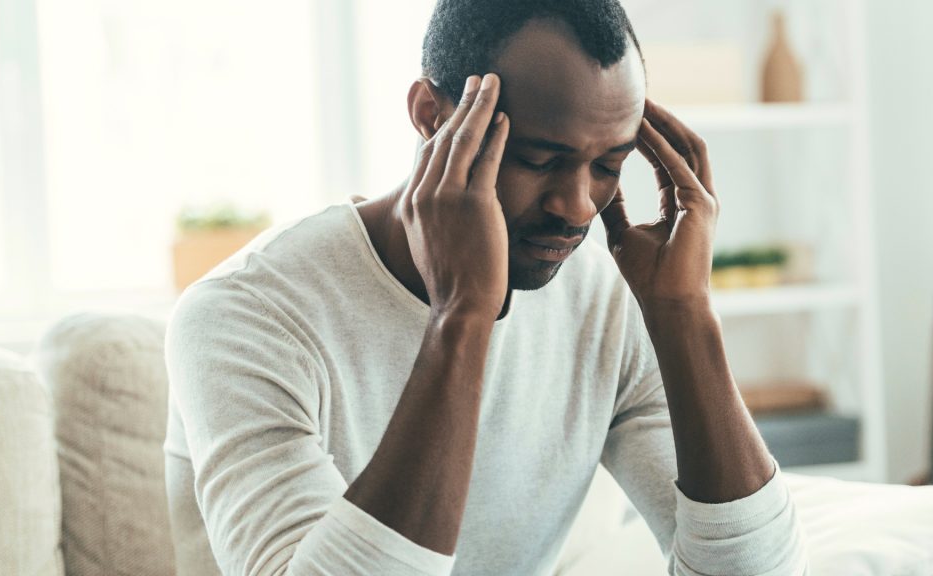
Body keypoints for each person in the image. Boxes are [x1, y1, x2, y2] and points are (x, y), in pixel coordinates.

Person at [163, 1, 809, 574]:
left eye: (609, 164)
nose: (578, 206)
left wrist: (684, 315)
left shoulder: (605, 293)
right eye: (537, 159)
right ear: (429, 114)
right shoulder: (242, 315)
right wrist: (462, 317)